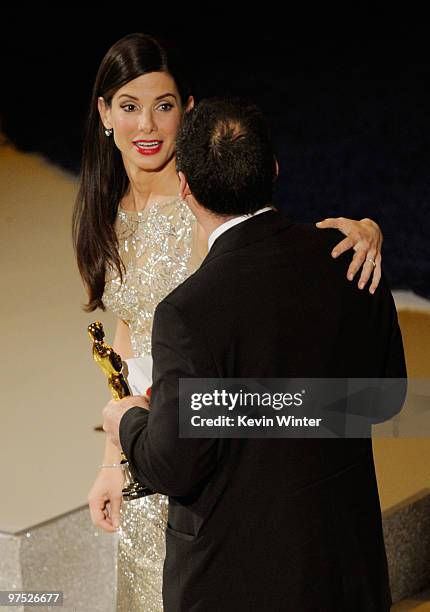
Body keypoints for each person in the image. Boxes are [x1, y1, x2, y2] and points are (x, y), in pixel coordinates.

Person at [73, 33, 385, 611]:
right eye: (129, 105)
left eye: (164, 106)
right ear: (104, 114)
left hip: (207, 465)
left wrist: (364, 232)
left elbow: (277, 282)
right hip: (150, 453)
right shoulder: (108, 214)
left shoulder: (211, 205)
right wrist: (113, 460)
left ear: (188, 113)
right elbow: (129, 335)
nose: (147, 126)